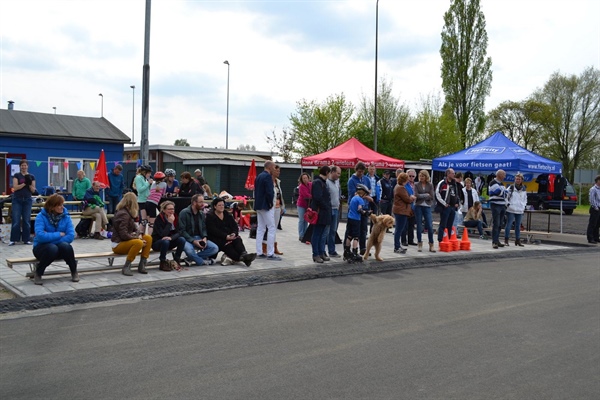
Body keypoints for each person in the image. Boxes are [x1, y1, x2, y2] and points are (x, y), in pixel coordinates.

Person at [32, 194, 79, 285]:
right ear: (52, 207)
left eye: (62, 204)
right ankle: (38, 273)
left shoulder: (66, 217)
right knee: (52, 248)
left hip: (57, 247)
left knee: (66, 246)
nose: (62, 207)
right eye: (59, 205)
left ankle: (74, 271)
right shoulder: (40, 217)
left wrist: (50, 238)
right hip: (41, 248)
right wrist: (59, 234)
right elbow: (41, 236)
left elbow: (70, 236)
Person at [111, 192, 153, 276]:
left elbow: (136, 228)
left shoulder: (128, 213)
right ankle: (127, 266)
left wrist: (139, 235)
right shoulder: (123, 214)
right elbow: (123, 234)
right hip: (118, 244)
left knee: (148, 238)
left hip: (126, 240)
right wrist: (137, 238)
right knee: (138, 242)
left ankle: (142, 263)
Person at [206, 197, 257, 266]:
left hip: (229, 235)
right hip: (218, 238)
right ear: (215, 206)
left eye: (223, 205)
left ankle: (244, 254)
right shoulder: (210, 216)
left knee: (237, 239)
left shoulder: (227, 214)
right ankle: (244, 259)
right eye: (219, 205)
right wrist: (226, 236)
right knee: (228, 246)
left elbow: (234, 226)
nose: (222, 207)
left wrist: (234, 233)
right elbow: (213, 230)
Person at [179, 194, 219, 265]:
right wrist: (193, 241)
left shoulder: (201, 213)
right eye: (200, 202)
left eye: (203, 202)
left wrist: (204, 237)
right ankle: (203, 262)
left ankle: (190, 259)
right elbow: (182, 231)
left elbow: (203, 228)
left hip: (199, 237)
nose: (202, 204)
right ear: (194, 203)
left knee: (215, 248)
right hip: (187, 239)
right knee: (190, 251)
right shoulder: (184, 213)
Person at [254, 161, 281, 260]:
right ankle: (270, 253)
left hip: (258, 206)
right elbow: (270, 192)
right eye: (274, 167)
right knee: (271, 228)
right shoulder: (268, 177)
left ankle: (259, 252)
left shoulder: (259, 176)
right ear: (269, 167)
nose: (275, 169)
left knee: (260, 228)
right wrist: (270, 204)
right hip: (266, 206)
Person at [151, 200, 186, 271]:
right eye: (169, 209)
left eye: (172, 209)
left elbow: (179, 232)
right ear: (164, 210)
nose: (171, 211)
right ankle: (163, 262)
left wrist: (171, 238)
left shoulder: (175, 217)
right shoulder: (159, 219)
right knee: (165, 241)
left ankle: (176, 259)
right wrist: (169, 223)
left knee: (182, 239)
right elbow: (162, 235)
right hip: (158, 242)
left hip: (169, 240)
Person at [348, 162, 373, 255]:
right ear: (356, 170)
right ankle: (349, 248)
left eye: (362, 172)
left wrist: (368, 194)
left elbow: (369, 190)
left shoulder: (366, 179)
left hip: (365, 206)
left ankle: (363, 248)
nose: (361, 173)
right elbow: (353, 193)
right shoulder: (352, 180)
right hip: (355, 208)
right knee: (353, 230)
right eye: (359, 171)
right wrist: (366, 196)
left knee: (364, 229)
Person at [9, 160, 36, 246]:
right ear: (20, 166)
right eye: (22, 166)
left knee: (26, 220)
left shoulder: (32, 176)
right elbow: (15, 188)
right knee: (16, 220)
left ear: (27, 166)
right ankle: (13, 239)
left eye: (25, 165)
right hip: (17, 199)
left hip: (27, 200)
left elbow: (33, 190)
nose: (24, 167)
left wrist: (29, 184)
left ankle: (26, 239)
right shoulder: (17, 175)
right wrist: (24, 183)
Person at [310, 166, 332, 263]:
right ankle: (316, 254)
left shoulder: (323, 182)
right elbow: (318, 198)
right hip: (320, 212)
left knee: (321, 233)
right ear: (327, 172)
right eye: (329, 172)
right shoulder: (317, 182)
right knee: (317, 233)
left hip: (324, 212)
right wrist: (326, 206)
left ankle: (321, 252)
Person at [343, 184, 369, 262]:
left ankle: (347, 251)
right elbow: (360, 210)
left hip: (350, 218)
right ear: (362, 193)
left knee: (349, 235)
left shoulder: (353, 198)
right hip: (356, 220)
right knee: (356, 237)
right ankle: (354, 252)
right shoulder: (360, 199)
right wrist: (366, 213)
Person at [263, 165, 284, 255]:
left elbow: (280, 195)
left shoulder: (278, 182)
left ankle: (274, 246)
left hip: (277, 207)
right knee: (268, 227)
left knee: (274, 228)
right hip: (270, 207)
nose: (278, 173)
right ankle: (265, 246)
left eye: (279, 171)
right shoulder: (268, 181)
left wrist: (282, 207)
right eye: (276, 171)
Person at [435, 168, 459, 244]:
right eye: (452, 173)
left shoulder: (454, 183)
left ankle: (447, 239)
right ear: (448, 174)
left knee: (450, 224)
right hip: (445, 206)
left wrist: (457, 202)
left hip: (452, 207)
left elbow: (456, 194)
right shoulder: (442, 183)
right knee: (443, 223)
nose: (454, 175)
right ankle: (440, 239)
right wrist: (444, 204)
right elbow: (437, 194)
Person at [414, 170, 436, 253]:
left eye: (423, 176)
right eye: (420, 176)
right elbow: (416, 195)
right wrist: (426, 195)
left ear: (426, 177)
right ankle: (419, 243)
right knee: (419, 226)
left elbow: (432, 196)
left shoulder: (430, 185)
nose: (421, 177)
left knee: (430, 226)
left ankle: (431, 244)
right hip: (418, 206)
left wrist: (423, 196)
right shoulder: (416, 184)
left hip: (427, 206)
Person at [393, 172, 415, 254]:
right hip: (401, 211)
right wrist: (412, 198)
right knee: (399, 229)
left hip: (398, 210)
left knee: (398, 229)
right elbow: (407, 199)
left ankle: (398, 245)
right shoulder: (401, 188)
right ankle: (397, 246)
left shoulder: (397, 186)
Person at [504, 173, 528, 247]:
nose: (518, 180)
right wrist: (508, 204)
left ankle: (518, 240)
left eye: (519, 179)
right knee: (509, 224)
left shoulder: (524, 189)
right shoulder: (510, 187)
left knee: (518, 226)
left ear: (521, 180)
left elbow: (525, 199)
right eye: (516, 179)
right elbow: (505, 196)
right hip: (511, 209)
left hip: (520, 210)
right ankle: (506, 240)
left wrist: (523, 206)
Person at [324, 166, 342, 257]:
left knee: (333, 231)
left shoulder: (337, 182)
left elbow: (338, 192)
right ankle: (323, 250)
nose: (339, 176)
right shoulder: (327, 182)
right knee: (326, 230)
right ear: (333, 172)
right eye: (338, 173)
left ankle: (332, 250)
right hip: (329, 209)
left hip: (336, 208)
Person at [489, 169, 508, 249]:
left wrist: (504, 191)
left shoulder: (501, 184)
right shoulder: (493, 182)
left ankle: (497, 239)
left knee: (500, 224)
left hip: (502, 205)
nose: (505, 176)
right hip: (495, 205)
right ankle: (494, 241)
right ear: (499, 175)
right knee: (496, 223)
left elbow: (505, 194)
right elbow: (498, 192)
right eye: (504, 175)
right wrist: (504, 191)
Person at [146, 171, 167, 235]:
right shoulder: (164, 184)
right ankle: (149, 236)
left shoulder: (153, 183)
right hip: (153, 203)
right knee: (152, 224)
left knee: (148, 222)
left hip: (147, 202)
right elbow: (163, 194)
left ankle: (146, 235)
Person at [401, 169, 417, 246]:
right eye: (409, 176)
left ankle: (411, 239)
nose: (411, 177)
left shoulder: (415, 185)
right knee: (404, 224)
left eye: (413, 176)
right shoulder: (404, 185)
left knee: (411, 224)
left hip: (413, 206)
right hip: (406, 206)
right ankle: (403, 240)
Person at [296, 172, 312, 242]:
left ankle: (305, 234)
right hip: (301, 204)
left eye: (306, 178)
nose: (305, 179)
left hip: (307, 205)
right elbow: (306, 195)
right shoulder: (301, 186)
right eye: (304, 178)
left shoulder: (310, 185)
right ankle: (301, 235)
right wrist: (313, 196)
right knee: (302, 220)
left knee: (306, 220)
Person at [586, 175, 600, 244]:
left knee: (598, 224)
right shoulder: (593, 189)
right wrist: (596, 207)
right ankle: (590, 238)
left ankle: (596, 237)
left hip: (599, 208)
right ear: (597, 181)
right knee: (592, 224)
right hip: (595, 208)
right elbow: (592, 199)